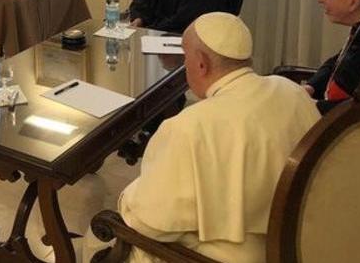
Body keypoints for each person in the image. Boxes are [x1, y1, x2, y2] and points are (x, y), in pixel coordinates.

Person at [86, 13, 320, 262]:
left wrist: (129, 195)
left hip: (231, 256)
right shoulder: (293, 92)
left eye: (185, 58)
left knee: (97, 236)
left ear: (201, 64)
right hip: (300, 239)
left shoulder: (188, 126)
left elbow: (149, 223)